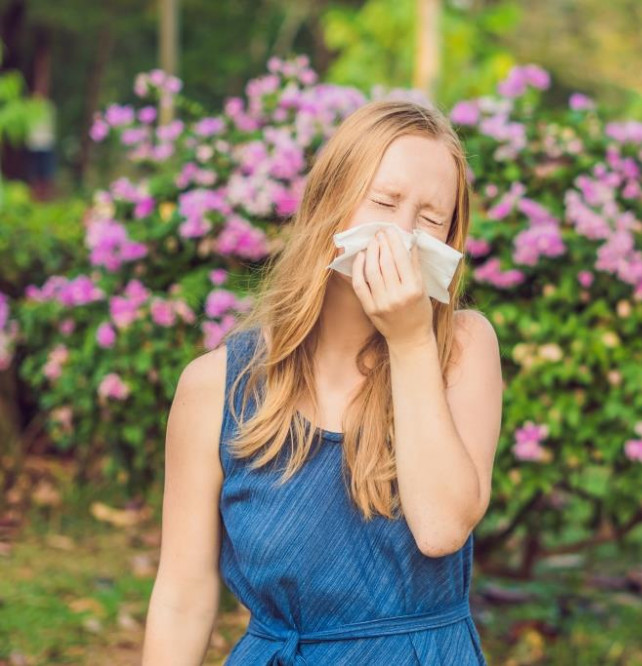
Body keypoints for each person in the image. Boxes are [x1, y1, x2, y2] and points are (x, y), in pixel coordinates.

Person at [141, 99, 503, 665]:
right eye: (383, 202)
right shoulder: (216, 387)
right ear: (327, 203)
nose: (402, 234)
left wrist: (409, 342)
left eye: (431, 219)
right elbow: (183, 597)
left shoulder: (462, 349)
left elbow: (440, 529)